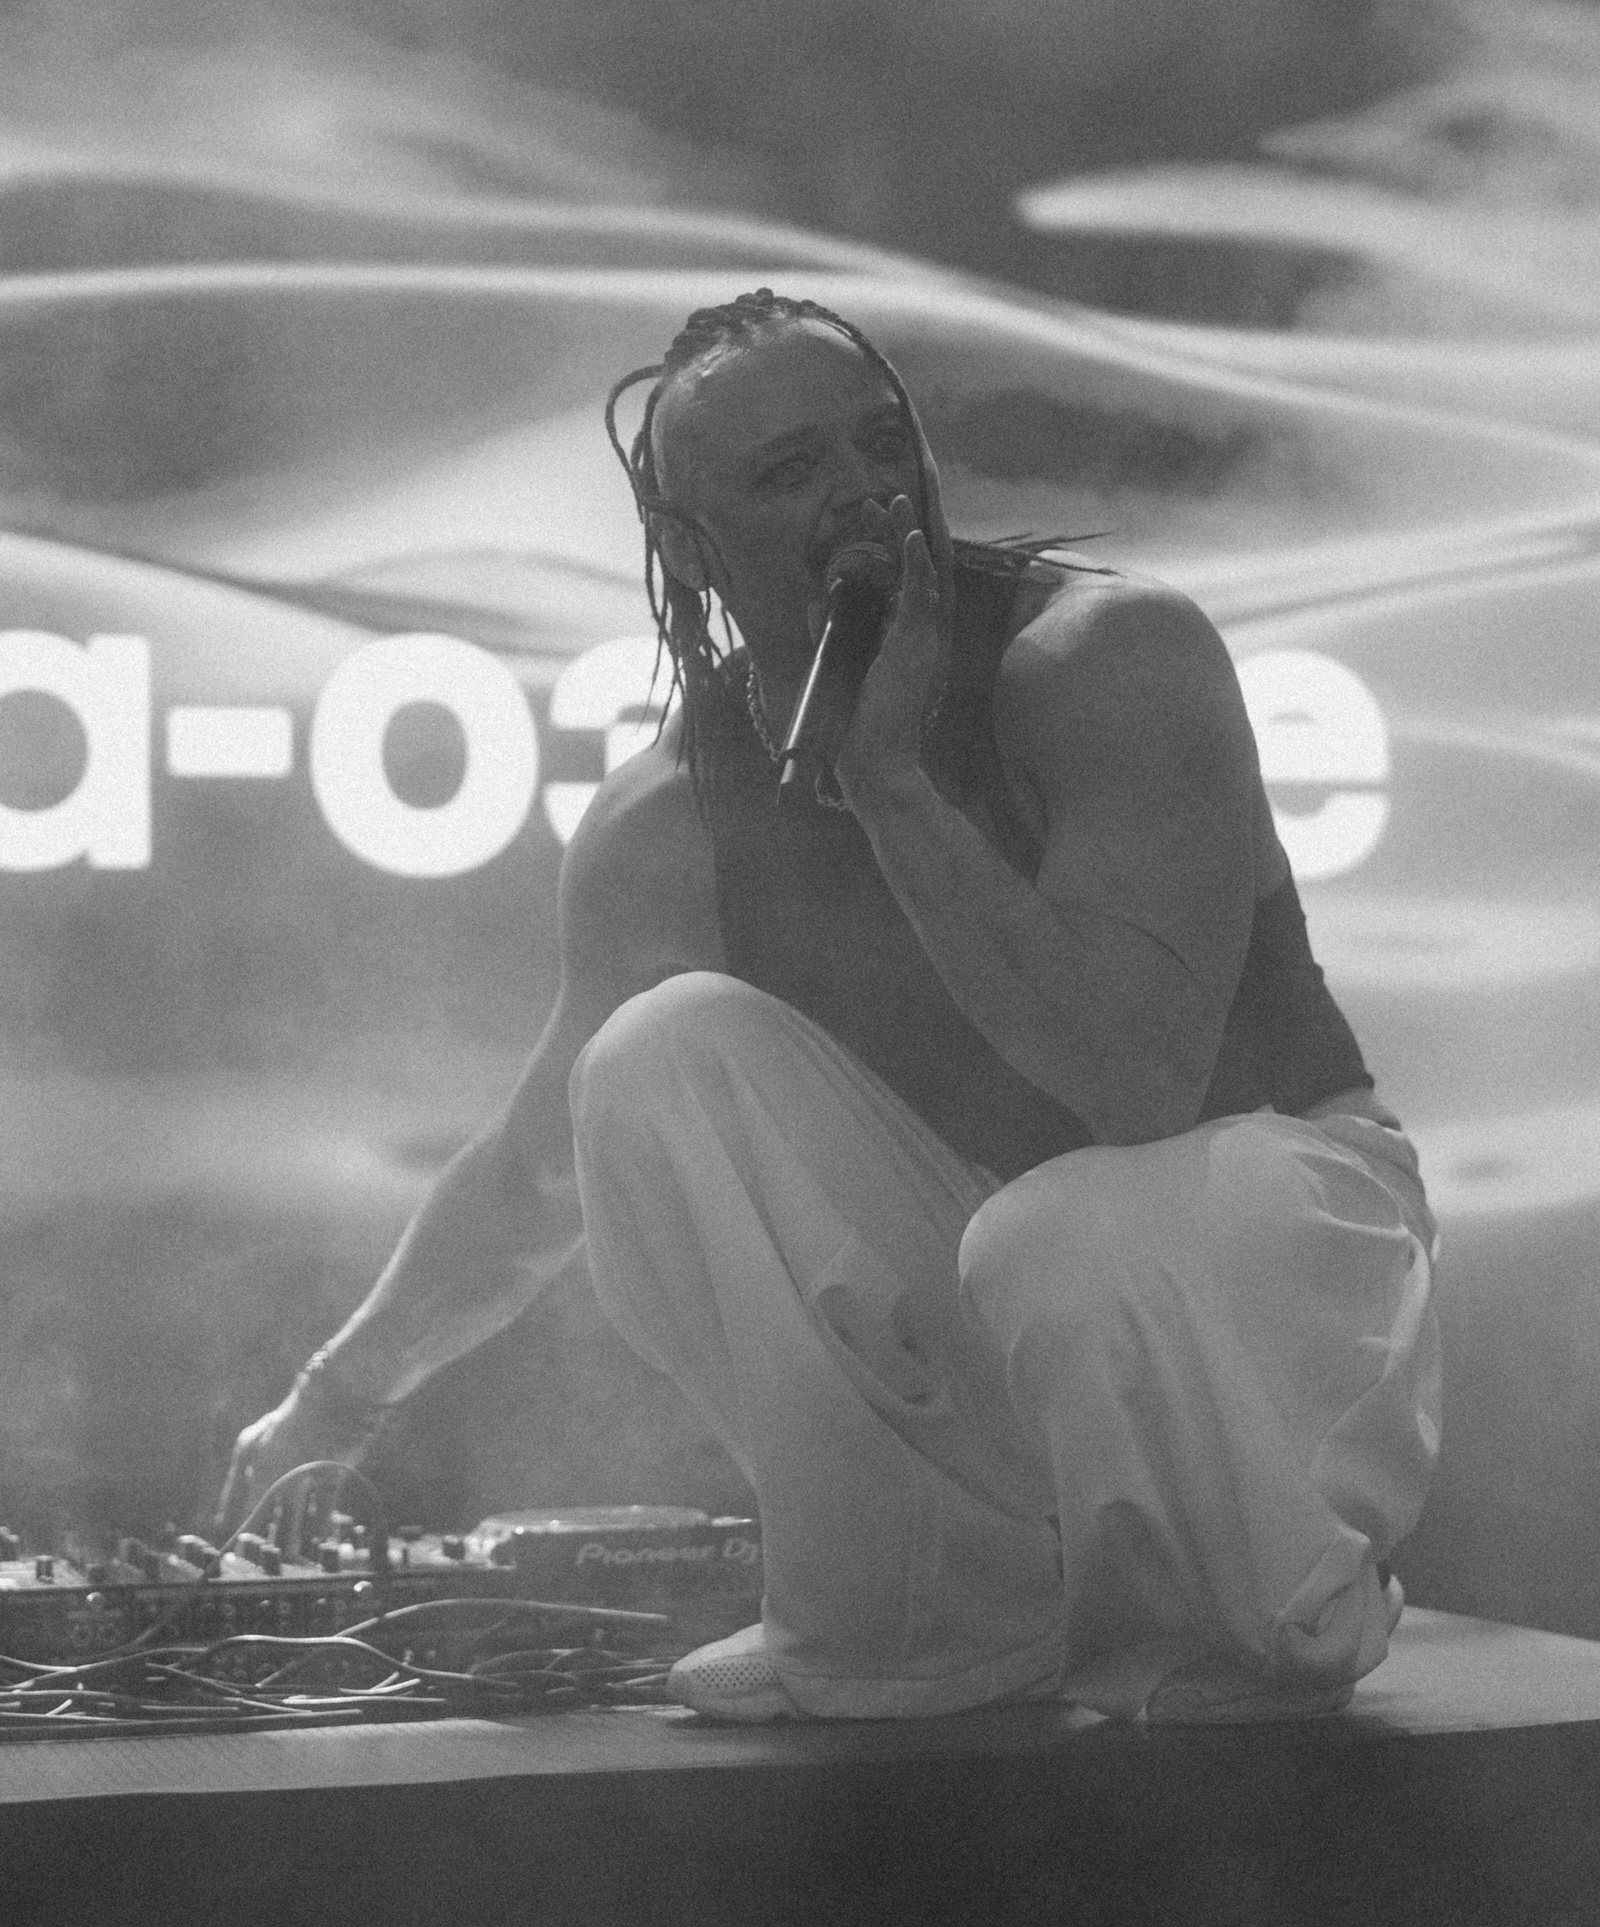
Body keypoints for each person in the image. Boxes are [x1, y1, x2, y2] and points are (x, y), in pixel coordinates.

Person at [217, 288, 1440, 1725]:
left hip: (1274, 1263)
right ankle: (929, 1617)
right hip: (1019, 1296)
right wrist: (338, 1398)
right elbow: (541, 1167)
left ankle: (1269, 1614)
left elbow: (1138, 1085)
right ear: (690, 546)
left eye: (879, 441)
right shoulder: (670, 817)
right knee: (655, 1057)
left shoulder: (1106, 657)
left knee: (1066, 1237)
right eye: (790, 469)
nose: (863, 490)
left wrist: (890, 782)